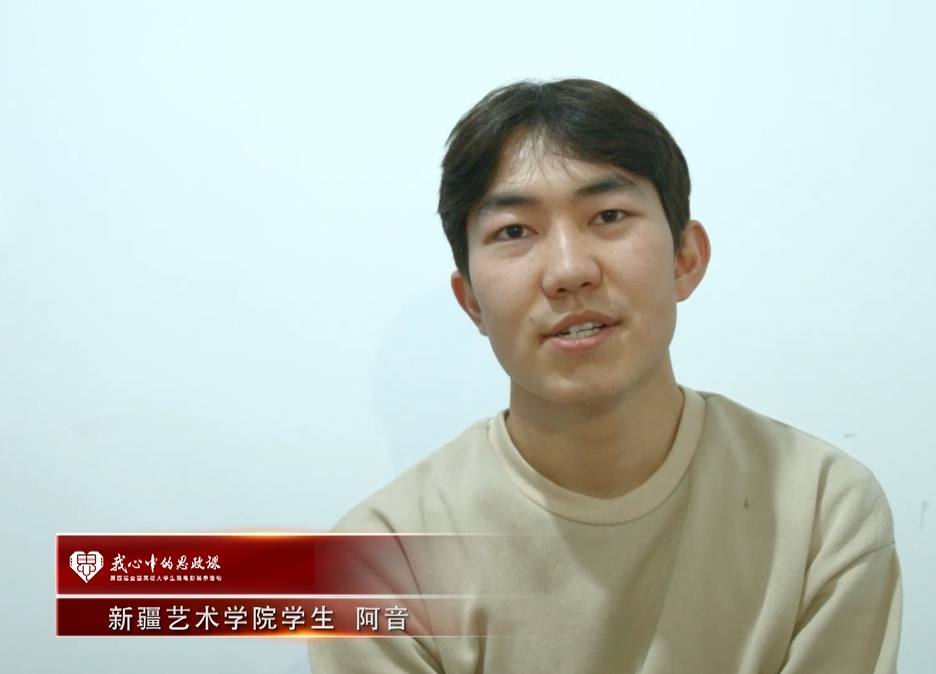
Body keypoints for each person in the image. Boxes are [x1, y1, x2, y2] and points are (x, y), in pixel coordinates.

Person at [309, 78, 902, 673]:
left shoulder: (820, 510)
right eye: (514, 231)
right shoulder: (376, 568)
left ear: (685, 259)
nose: (569, 271)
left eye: (608, 215)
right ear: (472, 303)